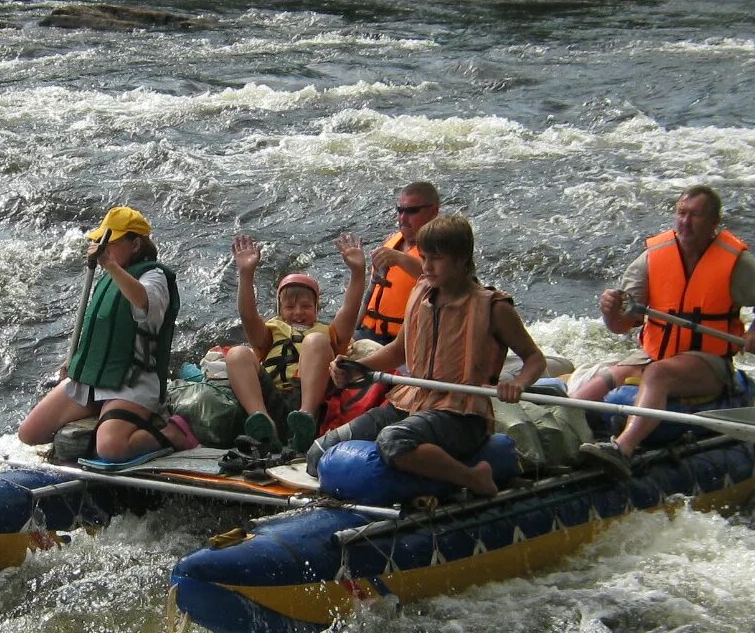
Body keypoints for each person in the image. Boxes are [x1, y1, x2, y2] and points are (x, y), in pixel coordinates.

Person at [307, 213, 546, 498]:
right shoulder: (421, 293)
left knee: (393, 440)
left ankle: (474, 477)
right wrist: (357, 367)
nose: (427, 266)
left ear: (460, 260)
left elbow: (535, 359)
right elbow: (397, 351)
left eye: (436, 258)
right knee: (318, 451)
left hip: (461, 414)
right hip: (411, 401)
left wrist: (518, 383)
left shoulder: (494, 307)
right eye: (424, 256)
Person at [571, 185, 755, 476]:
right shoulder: (652, 258)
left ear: (713, 223)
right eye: (681, 213)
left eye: (695, 216)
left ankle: (623, 449)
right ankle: (563, 437)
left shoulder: (735, 263)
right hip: (656, 354)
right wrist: (610, 312)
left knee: (660, 374)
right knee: (600, 382)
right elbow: (621, 326)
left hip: (708, 362)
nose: (685, 222)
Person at [18, 206, 181, 462]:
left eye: (111, 243)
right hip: (97, 378)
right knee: (30, 433)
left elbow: (144, 304)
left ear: (135, 244)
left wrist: (109, 264)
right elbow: (101, 330)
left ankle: (173, 433)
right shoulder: (109, 276)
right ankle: (103, 419)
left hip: (132, 381)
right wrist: (75, 361)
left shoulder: (154, 276)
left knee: (111, 448)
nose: (103, 249)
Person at [220, 231, 367, 455]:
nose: (298, 313)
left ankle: (305, 423)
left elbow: (350, 309)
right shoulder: (270, 332)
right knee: (237, 353)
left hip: (308, 404)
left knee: (316, 340)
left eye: (306, 306)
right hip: (270, 400)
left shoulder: (329, 333)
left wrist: (357, 273)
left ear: (316, 309)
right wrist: (246, 274)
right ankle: (262, 425)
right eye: (289, 307)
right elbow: (248, 315)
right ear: (280, 310)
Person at [357, 179, 440, 343]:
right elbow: (369, 295)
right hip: (368, 333)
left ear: (434, 212)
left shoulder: (443, 247)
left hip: (406, 342)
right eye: (400, 210)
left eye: (411, 211)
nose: (403, 217)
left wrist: (400, 259)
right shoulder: (391, 243)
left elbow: (442, 281)